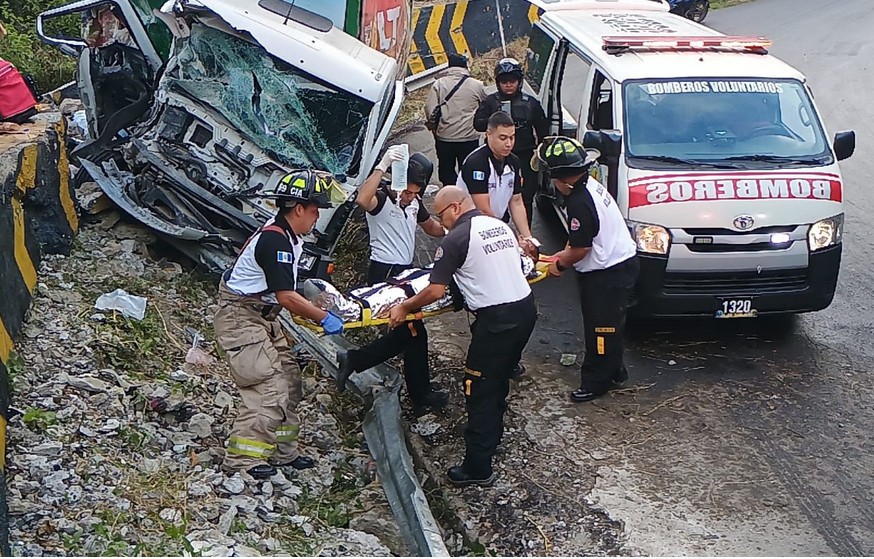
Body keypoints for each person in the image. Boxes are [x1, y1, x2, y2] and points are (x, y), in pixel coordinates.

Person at [388, 186, 537, 487]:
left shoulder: (456, 238)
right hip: (525, 312)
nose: (441, 223)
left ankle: (477, 467)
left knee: (478, 389)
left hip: (496, 323)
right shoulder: (498, 225)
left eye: (441, 215)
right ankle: (492, 439)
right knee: (498, 380)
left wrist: (404, 305)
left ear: (455, 208)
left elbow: (435, 290)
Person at [213, 169, 345, 480]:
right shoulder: (275, 242)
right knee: (266, 384)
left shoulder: (289, 238)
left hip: (262, 315)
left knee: (289, 380)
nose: (316, 218)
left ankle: (283, 451)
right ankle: (243, 459)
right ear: (299, 208)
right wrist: (323, 318)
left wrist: (317, 301)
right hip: (241, 316)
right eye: (315, 210)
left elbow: (286, 288)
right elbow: (286, 296)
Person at [334, 147, 450, 410]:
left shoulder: (414, 203)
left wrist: (452, 228)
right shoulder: (383, 199)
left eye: (415, 193)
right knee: (412, 332)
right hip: (385, 274)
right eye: (407, 191)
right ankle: (416, 392)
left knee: (412, 333)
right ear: (398, 181)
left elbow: (431, 227)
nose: (409, 197)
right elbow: (362, 200)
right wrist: (383, 164)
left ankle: (416, 391)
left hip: (405, 273)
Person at [531, 137, 639, 402]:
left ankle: (596, 381)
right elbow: (580, 239)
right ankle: (615, 369)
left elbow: (581, 249)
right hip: (619, 265)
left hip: (607, 274)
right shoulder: (589, 185)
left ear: (559, 177)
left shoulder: (578, 200)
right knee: (612, 324)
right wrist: (561, 254)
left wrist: (558, 264)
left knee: (601, 329)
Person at [474, 58, 548, 224]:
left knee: (526, 196)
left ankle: (525, 231)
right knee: (494, 196)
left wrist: (540, 152)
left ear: (519, 81)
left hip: (525, 156)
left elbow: (543, 128)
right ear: (498, 82)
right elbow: (477, 124)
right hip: (495, 158)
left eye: (512, 81)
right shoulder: (490, 101)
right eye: (504, 81)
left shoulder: (531, 103)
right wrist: (495, 122)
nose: (508, 85)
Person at [424, 53, 487, 185]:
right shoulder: (477, 85)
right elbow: (486, 106)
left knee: (447, 174)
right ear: (465, 66)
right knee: (469, 172)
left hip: (445, 138)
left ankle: (450, 199)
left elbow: (430, 111)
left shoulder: (438, 84)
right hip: (469, 138)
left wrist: (434, 129)